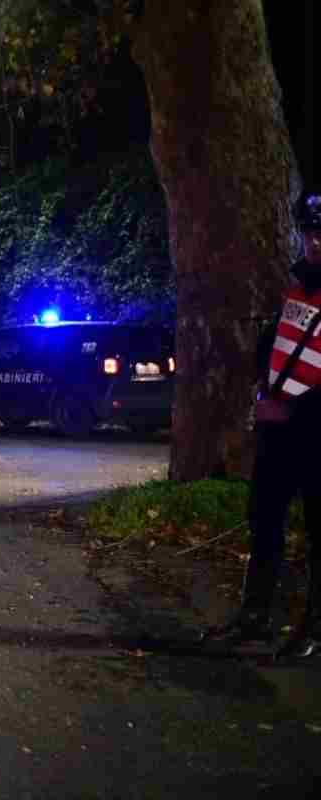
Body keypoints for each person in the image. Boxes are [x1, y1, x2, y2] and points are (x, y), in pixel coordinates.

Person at [202, 187, 321, 657]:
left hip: (313, 431)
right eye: (313, 232)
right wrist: (262, 393)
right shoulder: (296, 286)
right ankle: (256, 616)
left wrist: (292, 408)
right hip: (279, 430)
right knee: (265, 518)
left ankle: (312, 630)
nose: (317, 243)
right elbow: (273, 349)